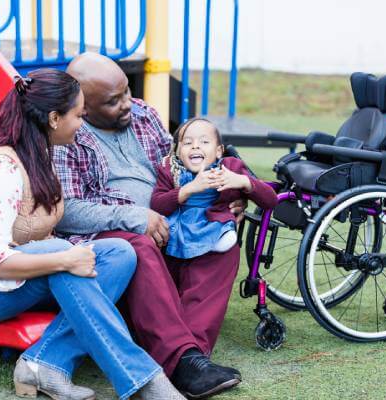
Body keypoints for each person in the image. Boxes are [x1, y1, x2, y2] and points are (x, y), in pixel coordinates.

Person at [0, 69, 184, 400]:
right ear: (54, 118)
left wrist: (63, 258)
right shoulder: (1, 169)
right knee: (63, 259)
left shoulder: (41, 148)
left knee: (119, 253)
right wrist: (62, 258)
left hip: (21, 267)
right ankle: (146, 381)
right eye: (78, 114)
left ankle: (45, 363)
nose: (83, 120)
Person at [53, 53, 247, 398]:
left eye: (127, 91)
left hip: (173, 223)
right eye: (113, 101)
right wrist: (136, 216)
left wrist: (228, 193)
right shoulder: (68, 136)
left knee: (222, 241)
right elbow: (68, 212)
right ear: (84, 105)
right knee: (137, 245)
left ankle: (191, 355)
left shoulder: (143, 114)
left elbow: (178, 166)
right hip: (115, 237)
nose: (128, 104)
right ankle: (180, 358)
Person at [151, 117, 277, 261]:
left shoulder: (230, 168)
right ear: (179, 151)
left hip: (216, 233)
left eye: (204, 142)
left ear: (219, 151)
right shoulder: (170, 170)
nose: (195, 146)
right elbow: (157, 205)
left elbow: (271, 200)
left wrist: (243, 181)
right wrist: (188, 189)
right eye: (187, 143)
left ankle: (218, 237)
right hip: (178, 236)